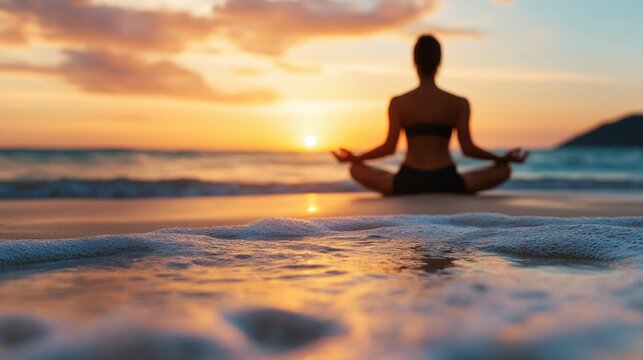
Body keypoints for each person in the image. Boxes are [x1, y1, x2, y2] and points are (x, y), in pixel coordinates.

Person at [332, 35, 528, 195]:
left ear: (414, 61)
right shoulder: (459, 102)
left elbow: (389, 148)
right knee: (504, 171)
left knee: (355, 169)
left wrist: (355, 158)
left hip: (408, 181)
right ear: (439, 62)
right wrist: (502, 159)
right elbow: (468, 149)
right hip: (448, 180)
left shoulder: (399, 102)